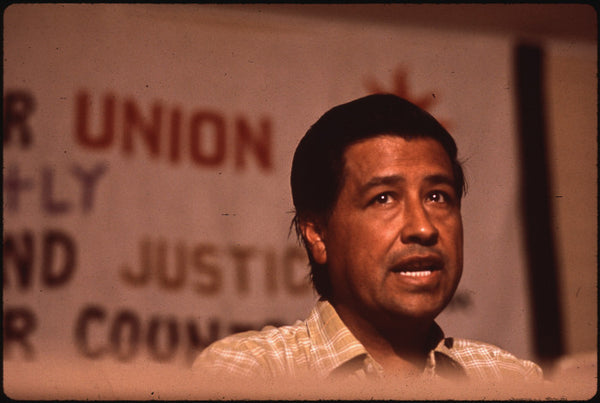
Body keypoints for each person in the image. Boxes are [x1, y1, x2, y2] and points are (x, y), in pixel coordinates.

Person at [192, 94, 543, 396]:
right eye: (384, 198)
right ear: (317, 233)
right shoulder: (255, 372)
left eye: (438, 196)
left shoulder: (509, 379)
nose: (423, 228)